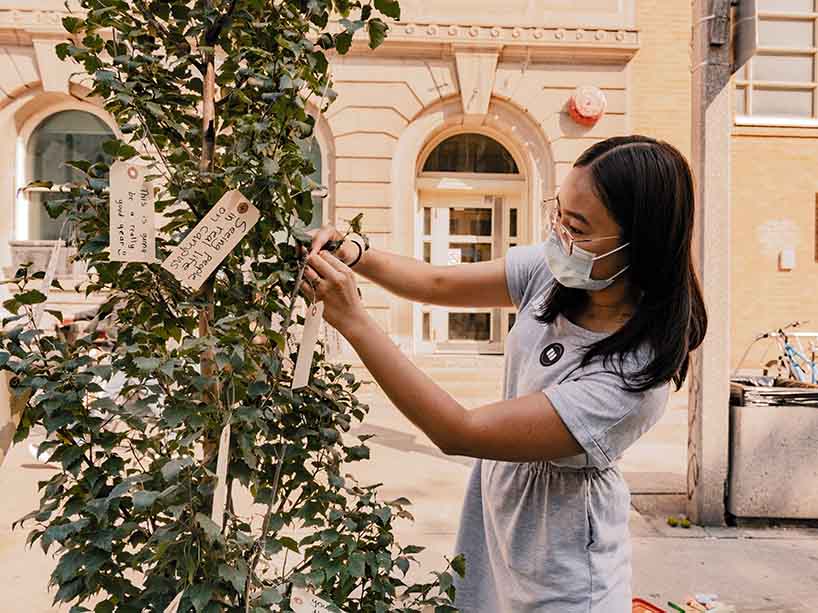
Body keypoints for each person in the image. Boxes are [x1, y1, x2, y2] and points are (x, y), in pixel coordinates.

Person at [301, 134, 707, 612]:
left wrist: (353, 321)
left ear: (641, 244)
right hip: (500, 536)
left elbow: (459, 431)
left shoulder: (631, 377)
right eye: (559, 213)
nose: (560, 235)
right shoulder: (556, 273)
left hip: (565, 577)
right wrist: (357, 254)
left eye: (578, 227)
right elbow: (435, 281)